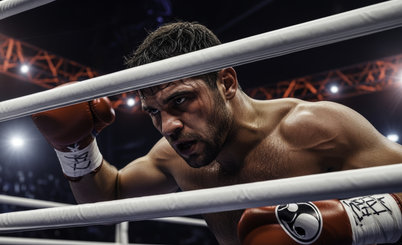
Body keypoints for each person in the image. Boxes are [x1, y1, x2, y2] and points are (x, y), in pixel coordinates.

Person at [32, 22, 402, 245]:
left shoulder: (317, 128)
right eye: (153, 113)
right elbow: (107, 201)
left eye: (181, 100)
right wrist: (74, 146)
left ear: (225, 82)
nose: (168, 126)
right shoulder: (172, 157)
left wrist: (341, 225)